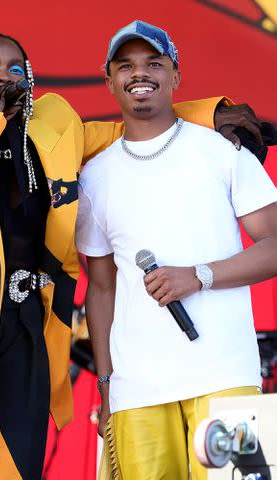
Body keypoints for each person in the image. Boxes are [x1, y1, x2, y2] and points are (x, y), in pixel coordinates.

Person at [0, 31, 266, 480]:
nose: (4, 77)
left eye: (15, 68)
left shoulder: (53, 129)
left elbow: (133, 122)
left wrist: (210, 112)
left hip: (21, 339)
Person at [75, 20, 277, 480]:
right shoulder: (94, 177)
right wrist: (107, 389)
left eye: (153, 63)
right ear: (109, 81)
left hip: (228, 377)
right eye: (125, 66)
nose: (138, 74)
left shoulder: (224, 152)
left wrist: (199, 275)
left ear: (175, 75)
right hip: (136, 392)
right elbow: (101, 289)